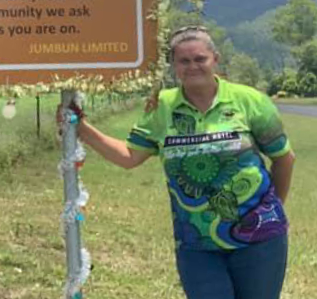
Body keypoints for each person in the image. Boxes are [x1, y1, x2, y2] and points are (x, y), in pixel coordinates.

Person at [61, 26, 295, 299]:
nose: (192, 66)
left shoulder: (249, 100)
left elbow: (284, 158)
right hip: (196, 243)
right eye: (184, 61)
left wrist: (271, 208)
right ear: (174, 66)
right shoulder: (162, 106)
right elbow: (129, 156)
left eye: (200, 59)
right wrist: (81, 128)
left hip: (260, 239)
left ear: (215, 59)